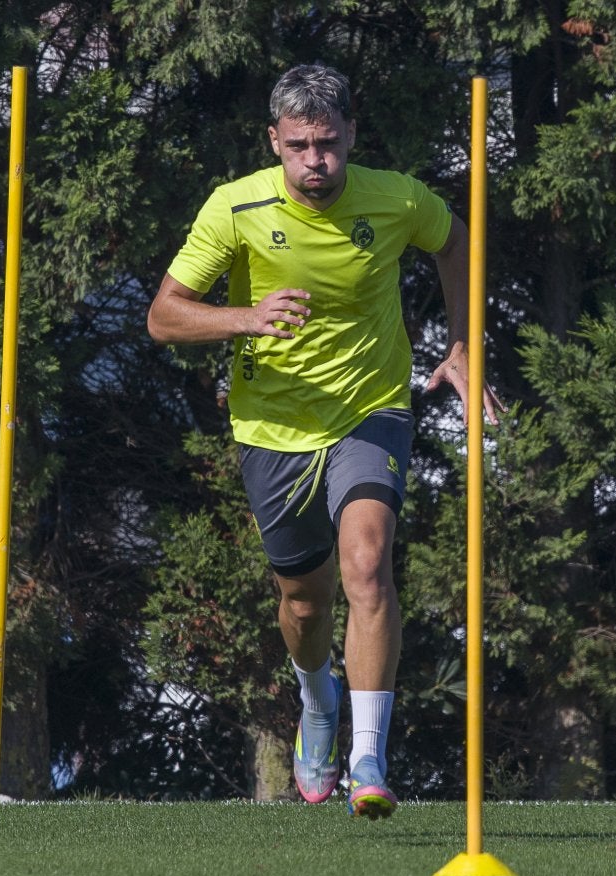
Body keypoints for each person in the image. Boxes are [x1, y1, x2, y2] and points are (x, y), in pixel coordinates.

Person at [147, 64, 502, 819]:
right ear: (274, 141)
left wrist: (463, 344)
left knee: (368, 568)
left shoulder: (397, 197)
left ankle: (369, 757)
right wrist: (244, 316)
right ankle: (317, 702)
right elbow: (165, 316)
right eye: (301, 145)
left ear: (350, 138)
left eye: (330, 144)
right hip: (272, 428)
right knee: (303, 605)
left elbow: (455, 239)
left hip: (370, 410)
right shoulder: (233, 208)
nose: (316, 161)